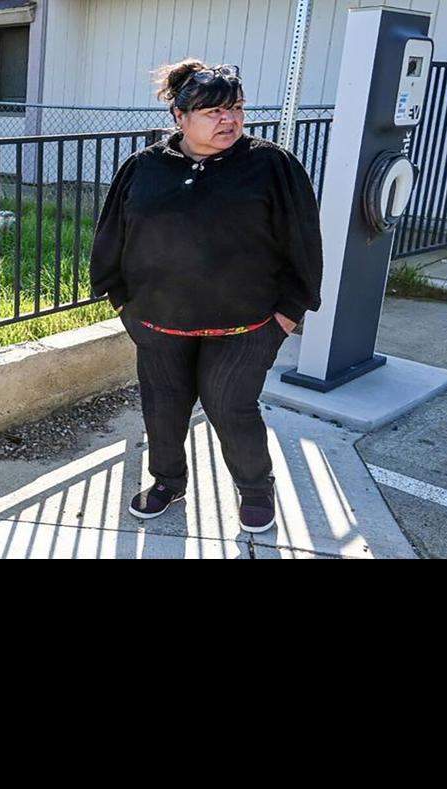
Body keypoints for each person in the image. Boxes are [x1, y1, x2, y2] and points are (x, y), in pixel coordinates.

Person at [89, 59, 323, 534]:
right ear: (180, 116)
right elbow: (112, 233)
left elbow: (303, 240)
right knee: (163, 408)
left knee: (231, 407)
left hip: (246, 325)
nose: (229, 120)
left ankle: (255, 488)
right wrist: (122, 302)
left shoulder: (271, 165)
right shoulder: (144, 167)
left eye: (236, 108)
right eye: (213, 111)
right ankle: (168, 482)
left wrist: (287, 314)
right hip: (158, 322)